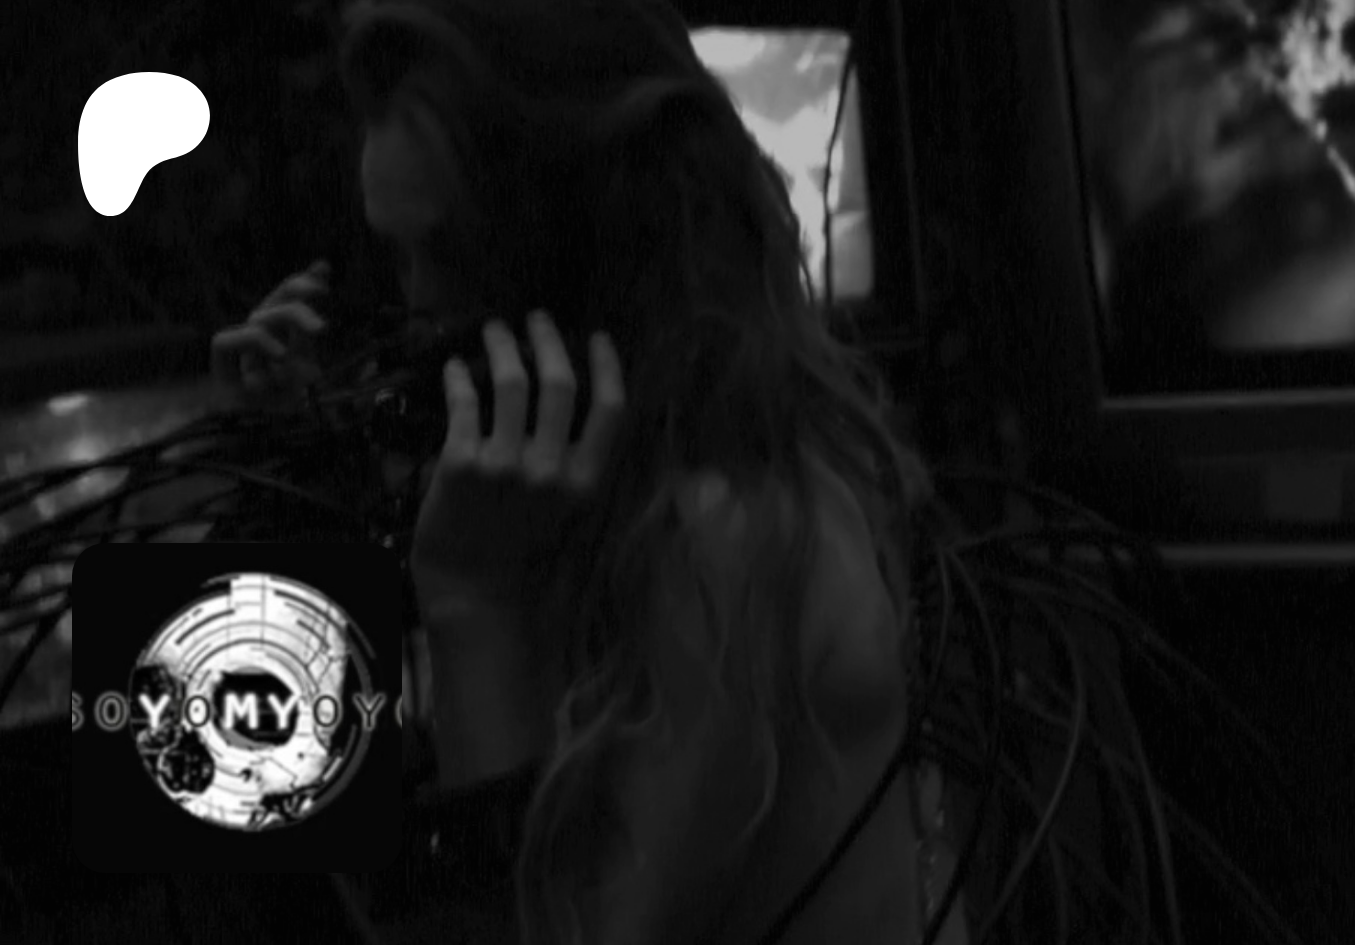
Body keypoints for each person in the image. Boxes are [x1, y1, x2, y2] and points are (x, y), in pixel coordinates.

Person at [208, 1, 966, 944]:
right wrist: (285, 476)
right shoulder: (623, 477)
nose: (419, 308)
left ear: (595, 234)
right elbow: (219, 792)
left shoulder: (724, 534)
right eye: (394, 259)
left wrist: (473, 606)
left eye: (448, 254)